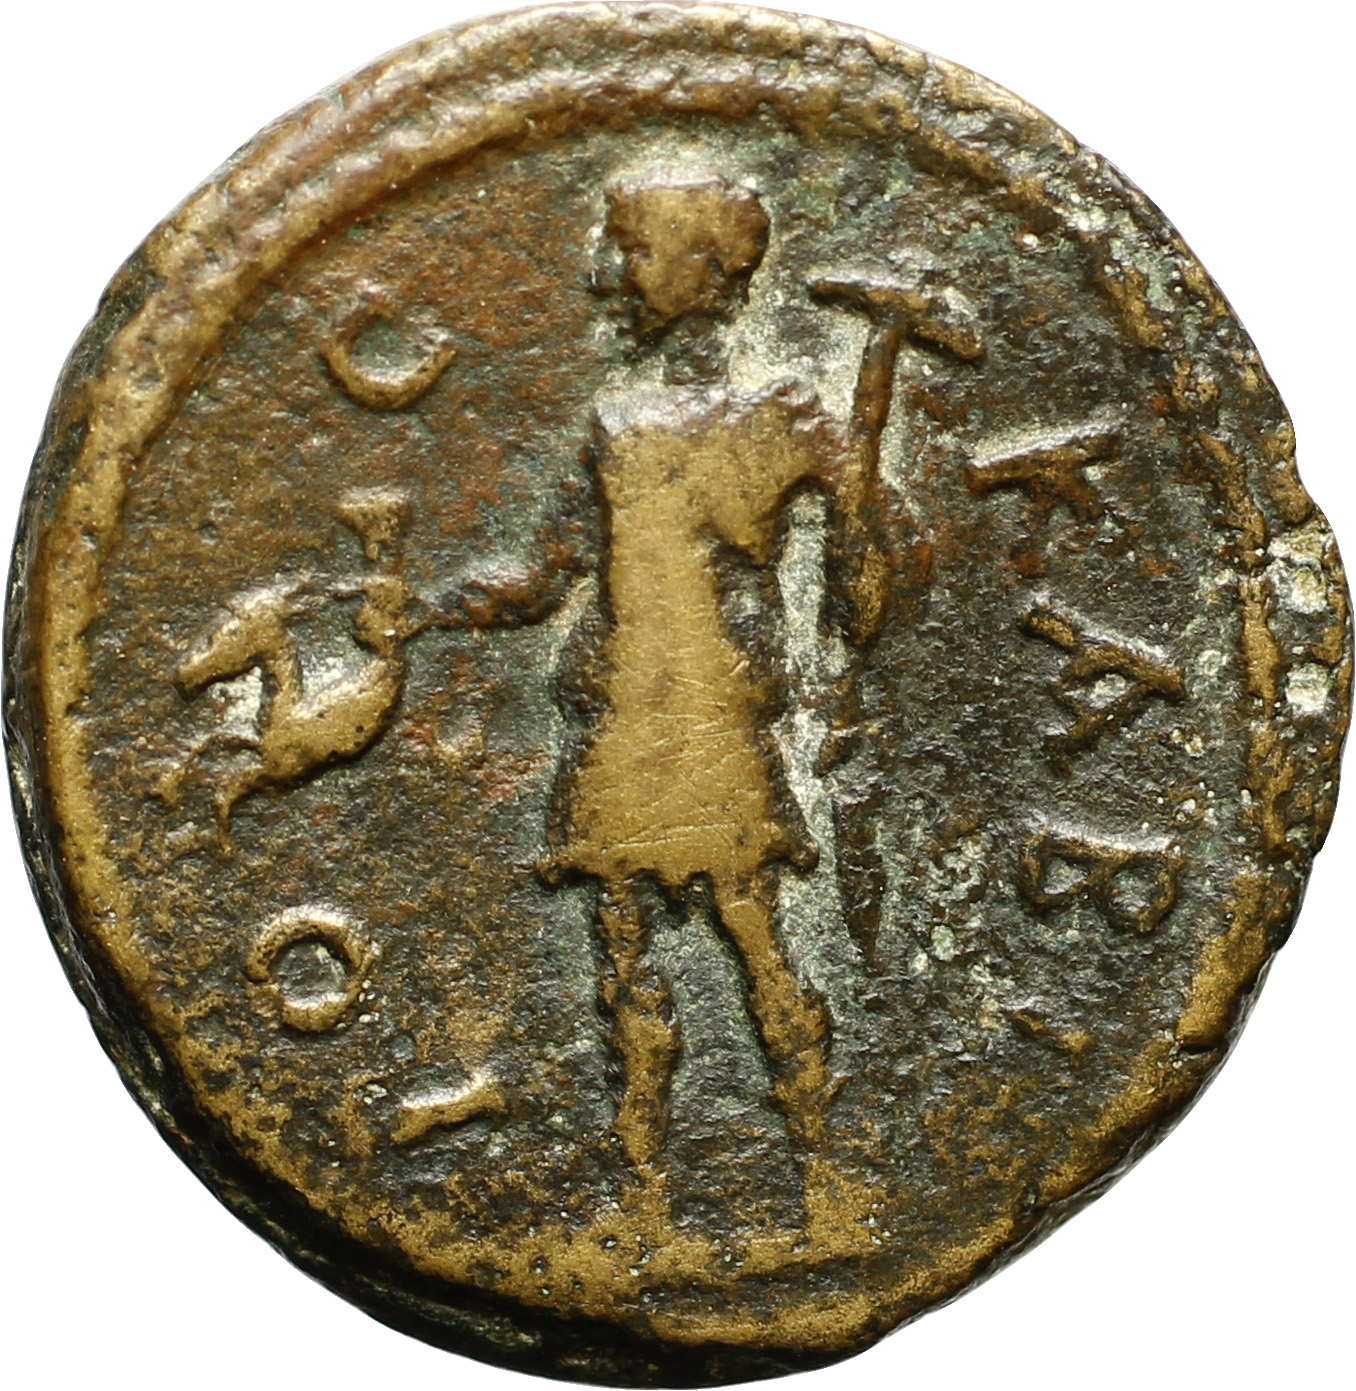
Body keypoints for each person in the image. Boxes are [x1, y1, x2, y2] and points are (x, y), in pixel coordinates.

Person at [459, 170, 853, 1188]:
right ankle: (644, 1191)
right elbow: (544, 576)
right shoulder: (622, 423)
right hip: (628, 707)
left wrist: (856, 522)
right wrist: (425, 607)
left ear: (704, 268)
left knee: (749, 933)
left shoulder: (776, 416)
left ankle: (818, 1171)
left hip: (710, 709)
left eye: (633, 250)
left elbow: (879, 549)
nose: (607, 274)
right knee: (629, 953)